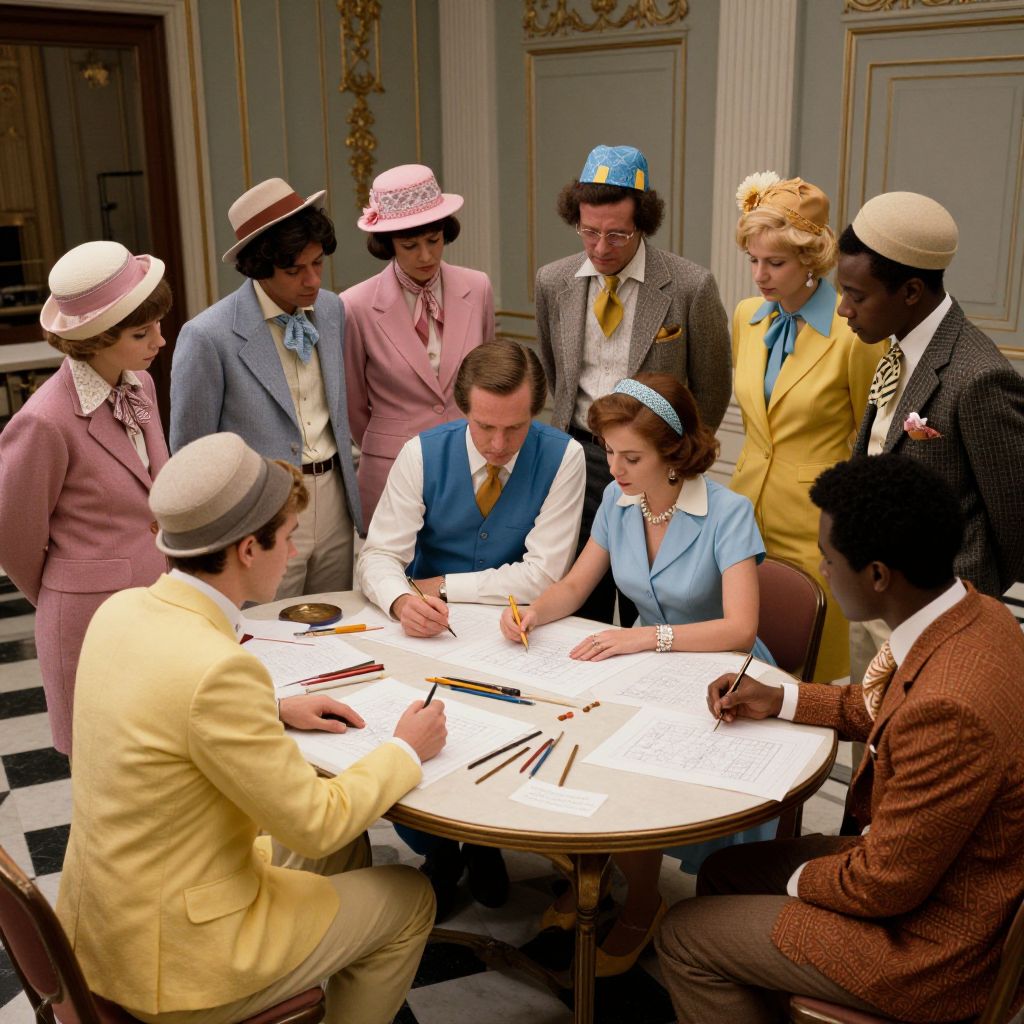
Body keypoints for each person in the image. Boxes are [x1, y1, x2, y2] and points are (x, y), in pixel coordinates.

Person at [57, 432, 447, 1024]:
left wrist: (275, 708)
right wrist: (405, 750)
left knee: (347, 844)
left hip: (104, 931)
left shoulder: (119, 610)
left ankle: (320, 966)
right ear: (246, 550)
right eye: (287, 538)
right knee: (409, 897)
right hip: (176, 967)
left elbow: (166, 703)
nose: (292, 552)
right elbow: (315, 824)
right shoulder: (220, 670)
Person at [656, 453, 1024, 1023]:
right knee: (725, 872)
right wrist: (780, 698)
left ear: (877, 575)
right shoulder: (975, 615)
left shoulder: (950, 709)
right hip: (932, 874)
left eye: (828, 558)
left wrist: (793, 884)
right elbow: (882, 706)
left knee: (682, 934)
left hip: (934, 947)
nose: (823, 570)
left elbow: (880, 886)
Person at [499, 372, 772, 976]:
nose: (615, 469)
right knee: (574, 739)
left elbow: (740, 629)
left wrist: (645, 637)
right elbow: (576, 584)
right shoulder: (619, 504)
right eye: (609, 452)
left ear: (673, 453)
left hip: (724, 679)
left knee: (629, 767)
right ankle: (596, 870)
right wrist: (532, 613)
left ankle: (643, 901)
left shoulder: (728, 512)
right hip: (647, 668)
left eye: (631, 457)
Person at [356, 339, 585, 919]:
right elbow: (378, 556)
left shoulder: (565, 456)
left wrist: (439, 584)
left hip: (514, 632)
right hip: (427, 632)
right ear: (463, 408)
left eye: (516, 428)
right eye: (484, 426)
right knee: (417, 730)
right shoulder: (421, 453)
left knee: (503, 735)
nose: (499, 445)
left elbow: (543, 574)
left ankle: (484, 841)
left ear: (536, 412)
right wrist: (401, 601)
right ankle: (438, 850)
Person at [535, 144, 732, 624]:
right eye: (589, 232)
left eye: (617, 234)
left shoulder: (689, 286)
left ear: (642, 223)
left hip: (657, 461)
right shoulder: (553, 281)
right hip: (579, 457)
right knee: (582, 593)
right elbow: (556, 373)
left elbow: (711, 389)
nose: (601, 247)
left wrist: (673, 456)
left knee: (651, 593)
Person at [837, 190, 1024, 688]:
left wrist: (960, 600)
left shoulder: (979, 376)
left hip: (938, 619)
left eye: (856, 296)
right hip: (875, 600)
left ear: (912, 291)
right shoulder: (897, 344)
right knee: (866, 730)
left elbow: (1015, 524)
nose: (843, 309)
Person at [0, 241, 171, 755]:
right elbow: (13, 539)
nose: (160, 341)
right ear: (95, 340)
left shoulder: (141, 385)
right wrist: (66, 590)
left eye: (158, 326)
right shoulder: (42, 420)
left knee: (166, 763)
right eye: (142, 333)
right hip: (89, 624)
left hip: (161, 606)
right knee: (108, 771)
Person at [170, 177, 362, 598]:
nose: (313, 280)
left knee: (334, 619)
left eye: (318, 263)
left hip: (335, 497)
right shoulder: (207, 335)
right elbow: (190, 451)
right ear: (259, 267)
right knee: (266, 626)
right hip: (260, 511)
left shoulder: (332, 309)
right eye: (295, 271)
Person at [730, 172, 884, 683]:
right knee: (742, 661)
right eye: (753, 260)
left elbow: (872, 439)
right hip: (743, 514)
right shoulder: (746, 316)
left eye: (775, 263)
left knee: (810, 674)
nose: (760, 275)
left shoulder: (853, 334)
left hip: (817, 524)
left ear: (812, 259)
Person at [342, 163, 495, 523]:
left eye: (434, 240)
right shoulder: (354, 305)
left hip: (469, 461)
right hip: (391, 470)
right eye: (410, 246)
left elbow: (487, 377)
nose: (426, 256)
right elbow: (353, 404)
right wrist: (392, 440)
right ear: (388, 245)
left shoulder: (478, 287)